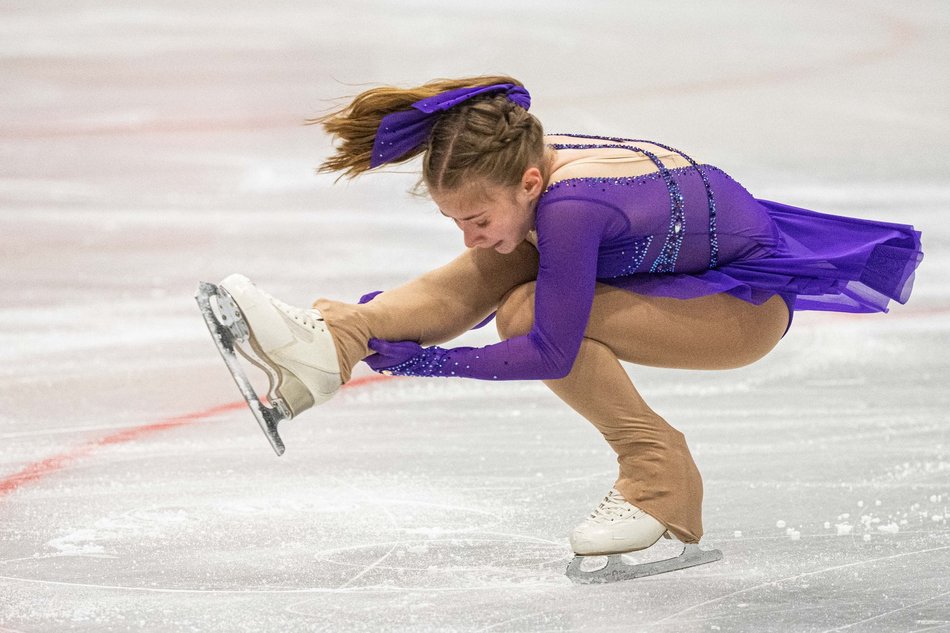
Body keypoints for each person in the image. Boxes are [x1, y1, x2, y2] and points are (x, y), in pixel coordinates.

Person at [212, 75, 923, 560]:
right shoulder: (531, 167)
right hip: (673, 276)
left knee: (524, 305)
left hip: (741, 308)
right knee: (505, 254)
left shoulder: (573, 206)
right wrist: (416, 316)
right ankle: (334, 342)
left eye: (475, 216)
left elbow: (550, 349)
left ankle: (658, 474)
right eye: (454, 220)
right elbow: (486, 256)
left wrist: (431, 361)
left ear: (529, 182)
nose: (467, 235)